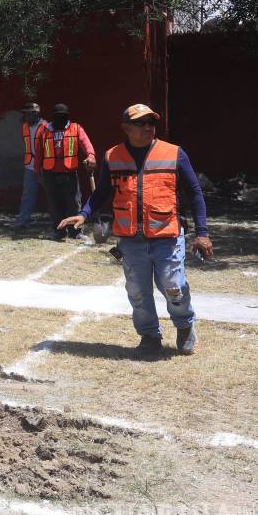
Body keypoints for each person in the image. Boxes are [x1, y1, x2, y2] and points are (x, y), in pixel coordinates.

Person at [59, 104, 212, 357]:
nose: (148, 127)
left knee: (174, 286)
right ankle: (150, 336)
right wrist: (83, 213)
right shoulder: (112, 156)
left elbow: (195, 193)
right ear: (126, 128)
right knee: (138, 292)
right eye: (141, 123)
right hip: (130, 240)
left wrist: (203, 233)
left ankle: (185, 326)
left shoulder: (174, 154)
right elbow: (102, 193)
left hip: (167, 236)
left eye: (151, 122)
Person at [35, 103, 95, 240]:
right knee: (54, 202)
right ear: (53, 117)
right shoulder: (43, 130)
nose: (61, 119)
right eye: (58, 117)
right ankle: (58, 231)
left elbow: (86, 143)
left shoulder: (76, 128)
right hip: (49, 172)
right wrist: (37, 169)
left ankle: (75, 232)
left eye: (63, 117)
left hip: (69, 172)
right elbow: (39, 152)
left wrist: (91, 155)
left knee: (73, 202)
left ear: (67, 117)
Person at [13, 102, 44, 232]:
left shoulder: (46, 126)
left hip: (45, 167)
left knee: (54, 196)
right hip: (30, 167)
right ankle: (22, 222)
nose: (26, 116)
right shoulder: (25, 127)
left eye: (28, 114)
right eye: (25, 114)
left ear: (35, 114)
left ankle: (59, 224)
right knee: (27, 195)